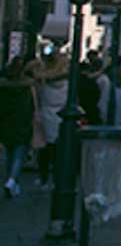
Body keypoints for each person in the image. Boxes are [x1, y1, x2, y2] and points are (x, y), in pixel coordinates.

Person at [27, 46, 70, 185]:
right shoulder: (67, 86)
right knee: (59, 151)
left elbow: (29, 72)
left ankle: (44, 176)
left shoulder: (42, 84)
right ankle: (57, 177)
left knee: (44, 150)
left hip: (45, 116)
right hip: (61, 118)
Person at [0, 57, 37, 197]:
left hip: (6, 123)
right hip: (22, 122)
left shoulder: (3, 86)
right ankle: (12, 180)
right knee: (19, 154)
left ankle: (11, 180)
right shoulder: (27, 86)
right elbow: (32, 106)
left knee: (10, 153)